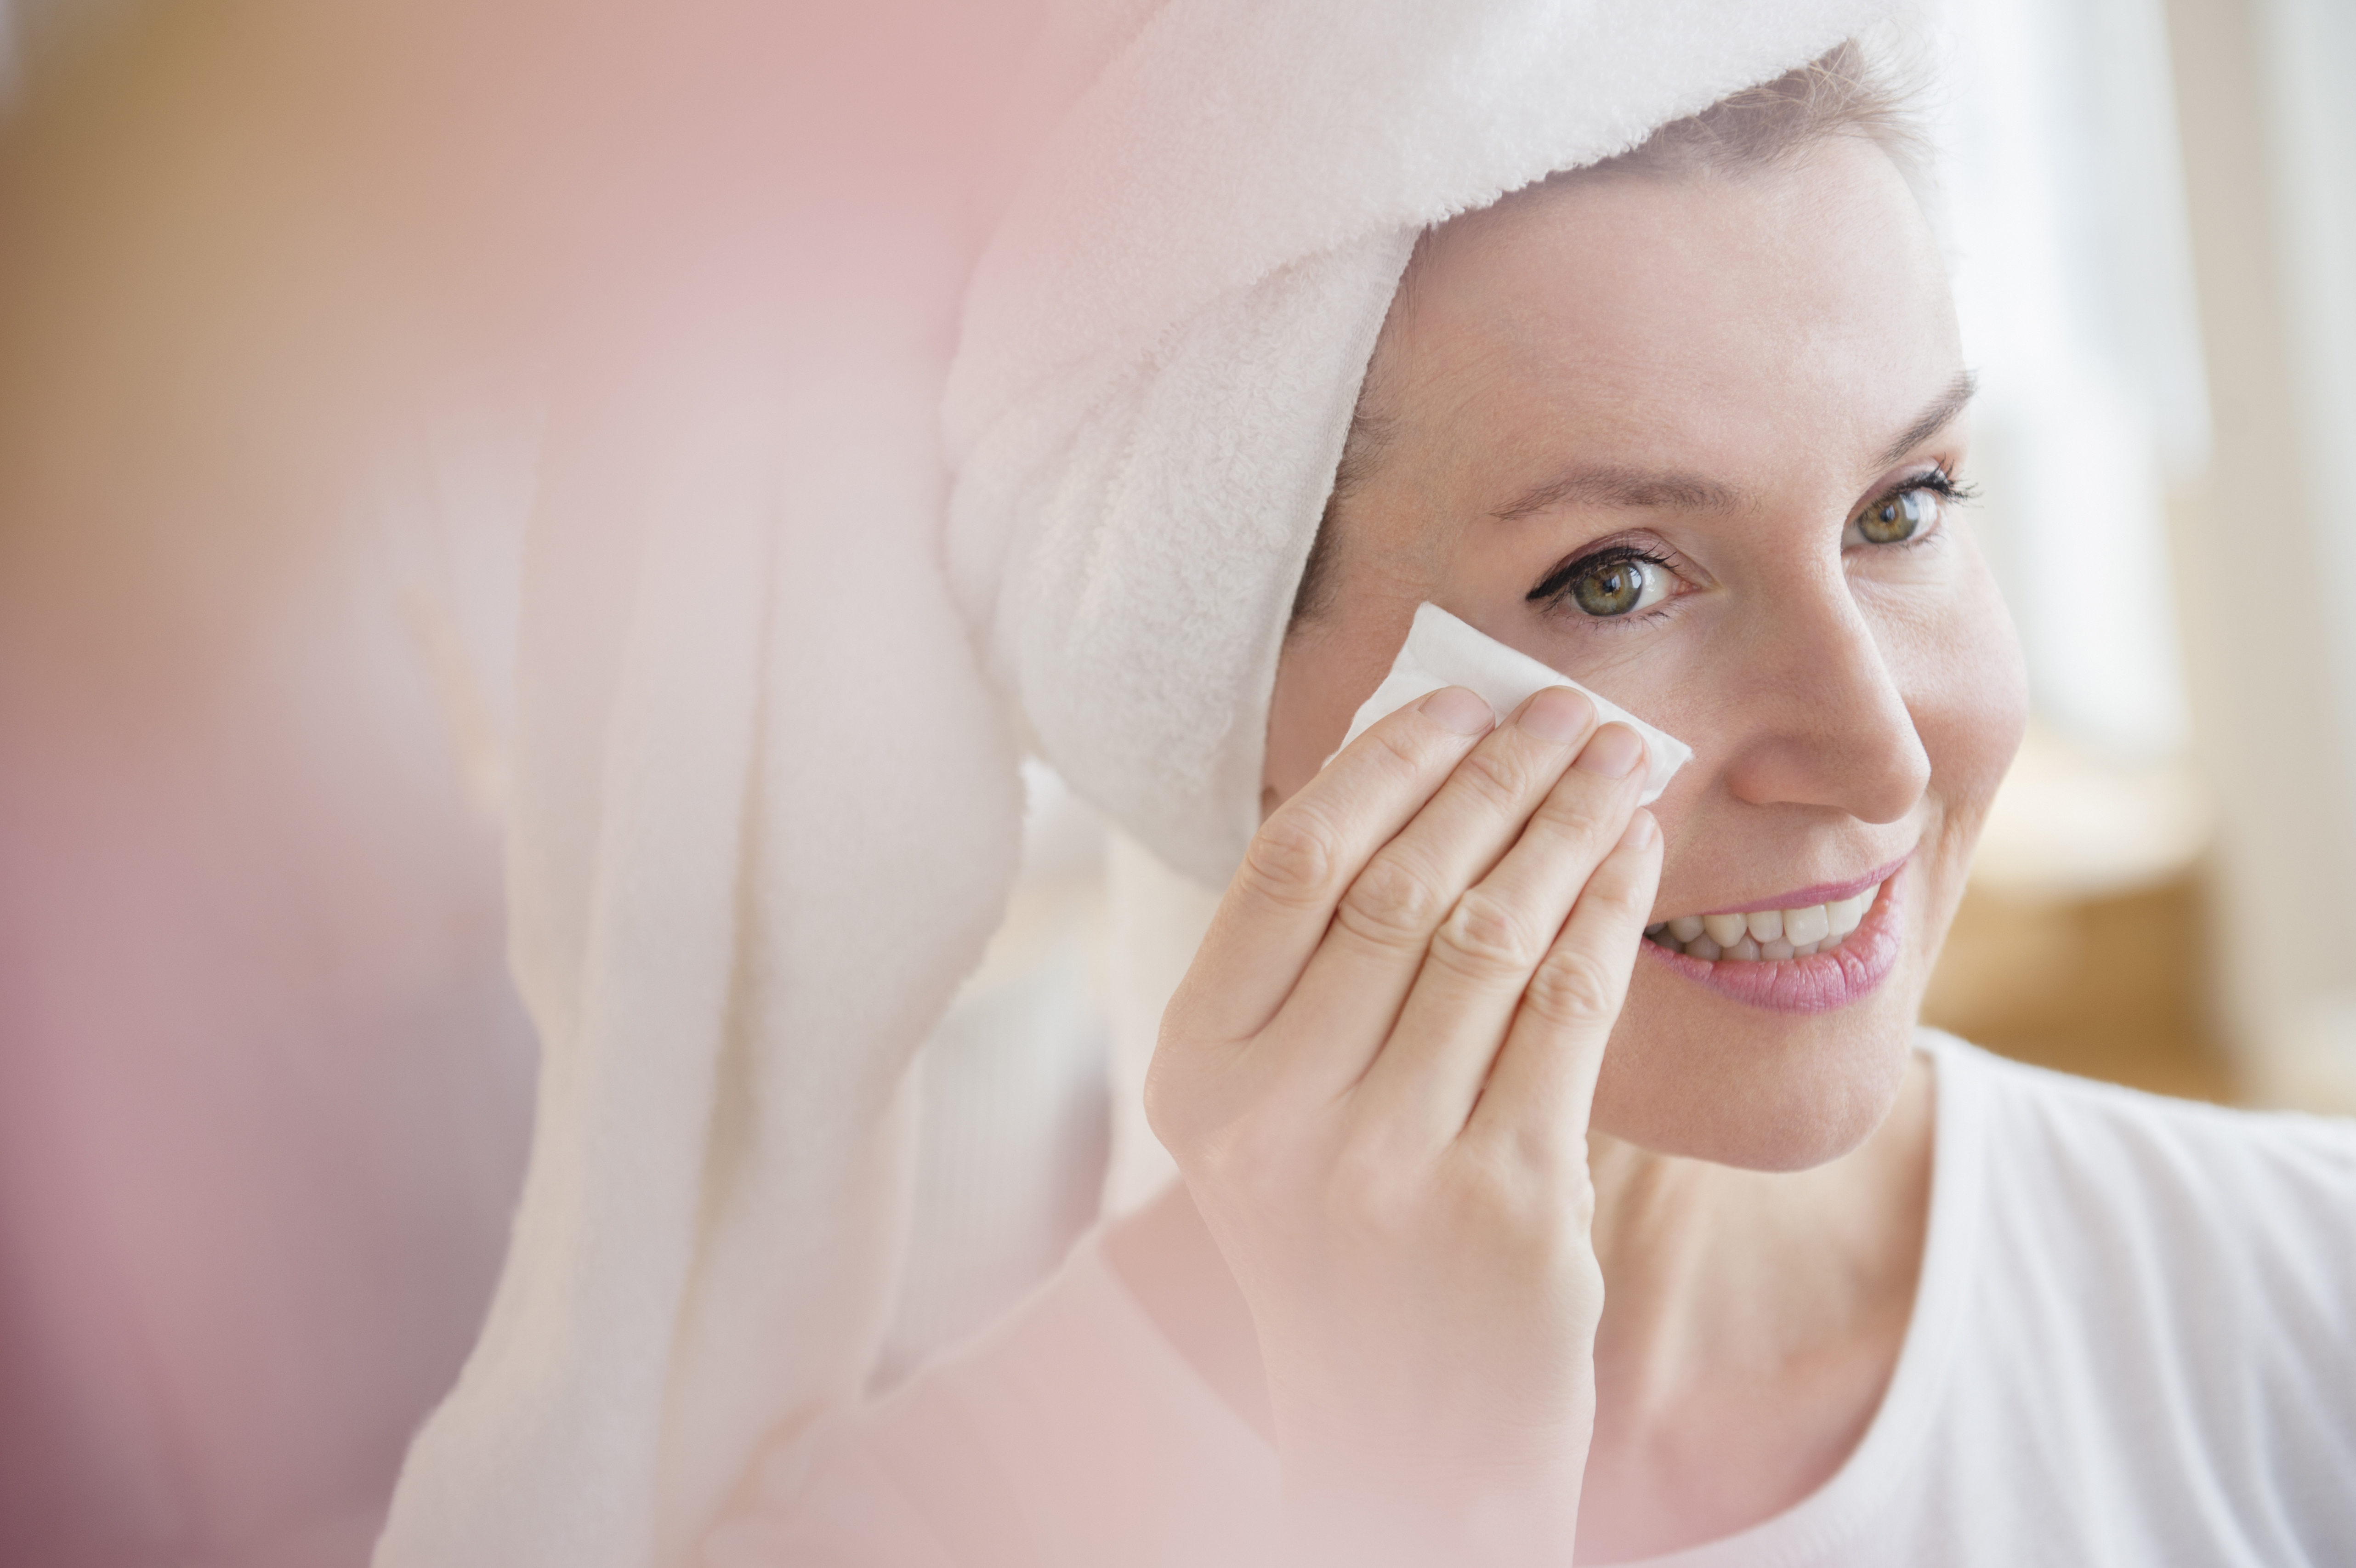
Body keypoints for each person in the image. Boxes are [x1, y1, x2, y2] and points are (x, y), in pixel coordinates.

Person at [697, 28, 2356, 1568]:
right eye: (1618, 579)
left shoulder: (2305, 1319)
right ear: (1234, 699)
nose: (1881, 755)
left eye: (1903, 507)